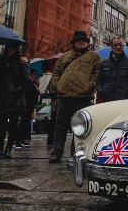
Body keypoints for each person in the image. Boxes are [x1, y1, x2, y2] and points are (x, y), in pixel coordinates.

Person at [48, 30, 101, 163]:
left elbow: (98, 73)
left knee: (80, 127)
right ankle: (56, 152)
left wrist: (90, 86)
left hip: (83, 96)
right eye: (78, 40)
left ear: (87, 42)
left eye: (83, 40)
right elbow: (56, 72)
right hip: (64, 95)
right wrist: (57, 85)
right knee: (60, 126)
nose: (81, 42)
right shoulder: (64, 57)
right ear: (74, 42)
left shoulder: (94, 57)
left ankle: (76, 153)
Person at [0, 43, 30, 158]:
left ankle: (8, 148)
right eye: (9, 48)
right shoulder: (1, 62)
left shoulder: (21, 62)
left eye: (13, 49)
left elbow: (26, 79)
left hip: (15, 98)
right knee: (1, 126)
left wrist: (15, 89)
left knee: (12, 125)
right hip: (2, 98)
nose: (11, 51)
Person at [96, 37, 128, 102]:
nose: (118, 47)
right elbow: (98, 80)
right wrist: (101, 90)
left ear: (123, 46)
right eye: (115, 45)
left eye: (120, 45)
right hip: (107, 99)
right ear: (111, 46)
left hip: (124, 99)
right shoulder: (104, 63)